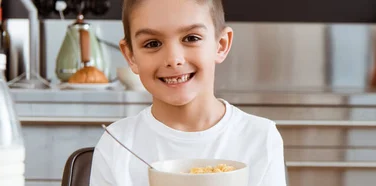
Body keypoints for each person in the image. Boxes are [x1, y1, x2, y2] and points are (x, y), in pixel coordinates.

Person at [89, 0, 287, 185]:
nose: (174, 59)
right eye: (152, 43)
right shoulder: (116, 144)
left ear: (221, 44)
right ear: (131, 56)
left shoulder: (260, 137)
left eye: (191, 38)